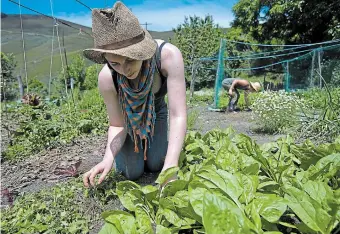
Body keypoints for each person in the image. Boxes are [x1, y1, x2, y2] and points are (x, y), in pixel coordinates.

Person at [82, 1, 187, 187]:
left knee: (157, 164)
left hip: (157, 111)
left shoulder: (168, 56)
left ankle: (157, 149)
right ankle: (135, 151)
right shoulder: (107, 78)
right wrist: (107, 159)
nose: (125, 69)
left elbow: (178, 114)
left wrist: (171, 166)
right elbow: (116, 124)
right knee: (131, 172)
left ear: (142, 50)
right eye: (115, 63)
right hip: (127, 118)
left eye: (130, 59)